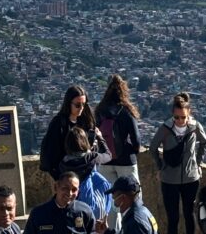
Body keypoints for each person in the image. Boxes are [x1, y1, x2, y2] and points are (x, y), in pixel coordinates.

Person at [150, 92, 206, 234]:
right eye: (177, 117)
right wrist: (161, 166)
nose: (180, 121)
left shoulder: (195, 127)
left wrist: (197, 164)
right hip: (169, 179)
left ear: (189, 114)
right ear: (172, 115)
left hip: (190, 178)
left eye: (183, 117)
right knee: (173, 217)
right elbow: (153, 148)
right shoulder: (165, 129)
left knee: (189, 215)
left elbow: (204, 143)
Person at [94, 74, 143, 230]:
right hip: (126, 162)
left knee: (110, 203)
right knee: (134, 199)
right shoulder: (126, 111)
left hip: (105, 161)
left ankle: (112, 231)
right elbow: (136, 140)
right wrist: (130, 150)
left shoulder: (100, 111)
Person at [42, 85, 99, 181]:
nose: (81, 108)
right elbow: (52, 153)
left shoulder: (86, 121)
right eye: (77, 105)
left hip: (85, 173)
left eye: (84, 104)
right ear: (69, 104)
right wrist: (58, 178)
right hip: (65, 175)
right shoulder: (58, 124)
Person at [59, 126, 112, 219]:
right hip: (89, 201)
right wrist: (100, 138)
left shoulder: (64, 162)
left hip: (70, 200)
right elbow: (108, 156)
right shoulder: (90, 158)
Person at [24, 171, 96, 234]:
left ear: (78, 192)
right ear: (56, 187)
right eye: (65, 188)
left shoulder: (85, 211)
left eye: (74, 190)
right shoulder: (38, 214)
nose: (70, 193)